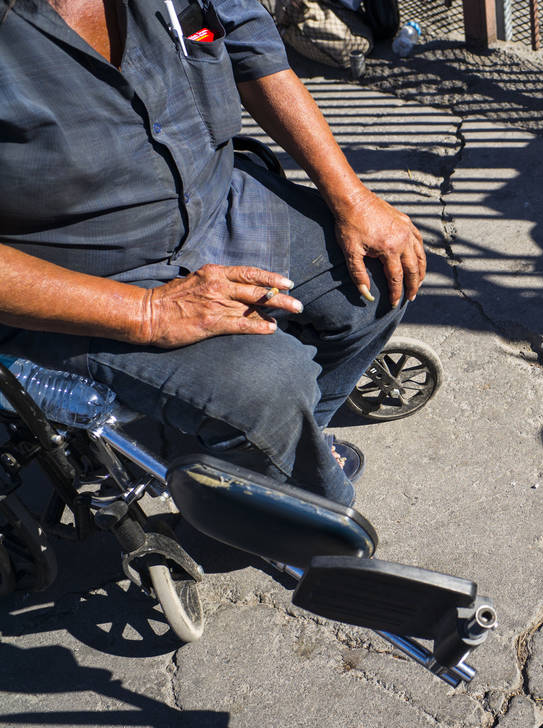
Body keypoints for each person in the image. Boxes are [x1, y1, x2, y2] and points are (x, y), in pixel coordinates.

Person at [0, 0, 426, 504]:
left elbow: (254, 54)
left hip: (218, 200)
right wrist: (149, 313)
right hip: (82, 270)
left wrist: (353, 197)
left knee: (380, 278)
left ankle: (287, 450)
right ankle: (309, 509)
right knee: (269, 388)